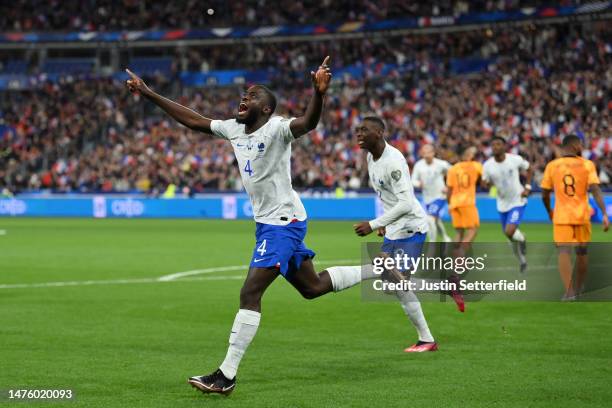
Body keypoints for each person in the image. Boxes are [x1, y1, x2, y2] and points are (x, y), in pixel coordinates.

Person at [352, 117, 443, 352]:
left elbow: (405, 203)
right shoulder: (371, 156)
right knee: (392, 285)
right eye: (358, 130)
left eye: (365, 130)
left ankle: (427, 339)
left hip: (411, 227)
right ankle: (444, 289)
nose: (359, 134)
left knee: (397, 282)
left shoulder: (393, 162)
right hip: (394, 229)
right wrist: (385, 223)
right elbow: (387, 197)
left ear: (380, 132)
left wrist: (373, 224)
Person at [540, 135, 609, 300]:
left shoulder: (552, 166)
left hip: (562, 215)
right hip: (582, 215)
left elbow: (544, 193)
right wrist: (604, 213)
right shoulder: (587, 164)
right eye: (580, 145)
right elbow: (595, 190)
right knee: (582, 253)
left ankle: (570, 292)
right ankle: (578, 288)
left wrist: (549, 209)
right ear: (576, 145)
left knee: (563, 251)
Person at [482, 136, 533, 272]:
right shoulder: (487, 165)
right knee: (510, 237)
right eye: (493, 145)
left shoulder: (514, 159)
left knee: (509, 231)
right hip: (502, 203)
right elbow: (485, 182)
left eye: (498, 144)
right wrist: (487, 184)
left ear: (504, 147)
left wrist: (527, 187)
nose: (495, 147)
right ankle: (522, 260)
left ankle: (521, 239)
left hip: (518, 200)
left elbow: (529, 169)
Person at [412, 144, 452, 243]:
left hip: (440, 196)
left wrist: (448, 186)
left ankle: (432, 243)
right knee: (436, 220)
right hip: (427, 197)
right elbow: (413, 180)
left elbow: (453, 172)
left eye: (429, 152)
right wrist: (418, 184)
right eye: (424, 152)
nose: (426, 154)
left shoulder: (441, 164)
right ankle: (446, 238)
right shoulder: (418, 165)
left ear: (433, 153)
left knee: (430, 219)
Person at [446, 147, 482, 247]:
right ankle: (460, 258)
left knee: (459, 233)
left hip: (454, 203)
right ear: (468, 155)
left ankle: (450, 257)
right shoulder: (475, 166)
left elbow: (449, 190)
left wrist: (450, 205)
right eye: (472, 153)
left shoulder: (452, 169)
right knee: (472, 230)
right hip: (467, 202)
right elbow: (485, 180)